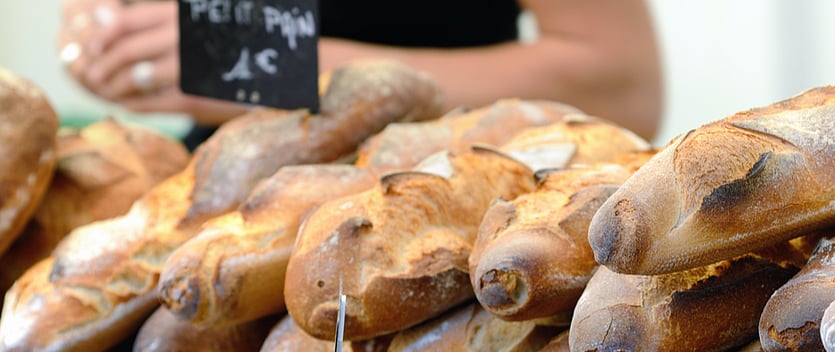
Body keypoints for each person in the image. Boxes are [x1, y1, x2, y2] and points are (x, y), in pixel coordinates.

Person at [57, 0, 664, 148]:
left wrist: (287, 69)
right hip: (218, 210)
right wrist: (100, 35)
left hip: (447, 207)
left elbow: (622, 85)